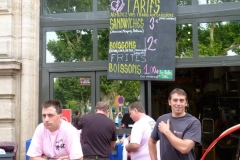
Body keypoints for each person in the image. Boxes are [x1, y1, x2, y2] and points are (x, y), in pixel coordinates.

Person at [148, 88, 201, 160]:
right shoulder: (161, 119)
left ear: (186, 103)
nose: (178, 103)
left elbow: (184, 148)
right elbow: (151, 141)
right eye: (175, 100)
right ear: (169, 102)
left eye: (181, 100)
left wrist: (166, 131)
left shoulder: (193, 122)